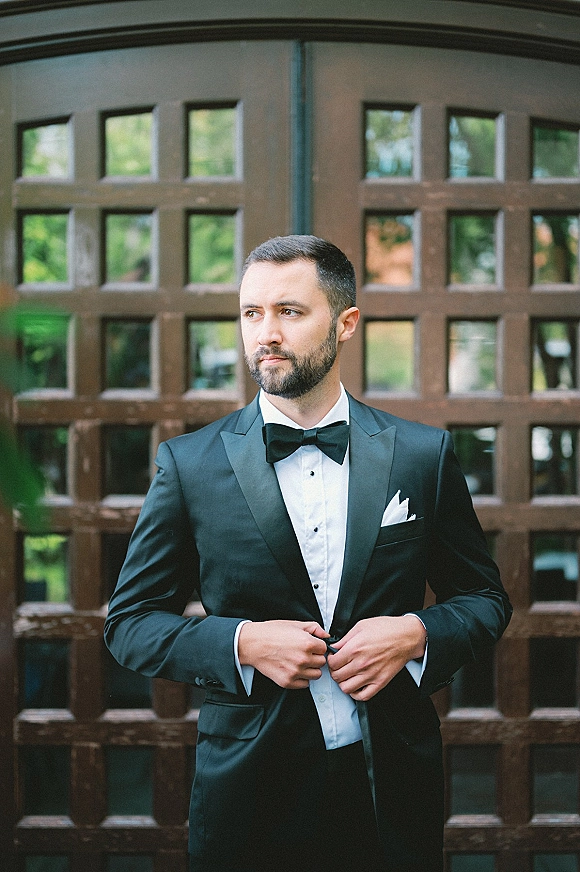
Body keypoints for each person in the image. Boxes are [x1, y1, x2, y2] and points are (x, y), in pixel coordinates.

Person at [104, 235, 512, 872]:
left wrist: (416, 632)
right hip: (247, 790)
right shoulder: (189, 465)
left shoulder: (420, 455)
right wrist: (242, 643)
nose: (266, 332)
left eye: (289, 312)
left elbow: (485, 601)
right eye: (251, 313)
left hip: (390, 786)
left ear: (345, 323)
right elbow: (129, 625)